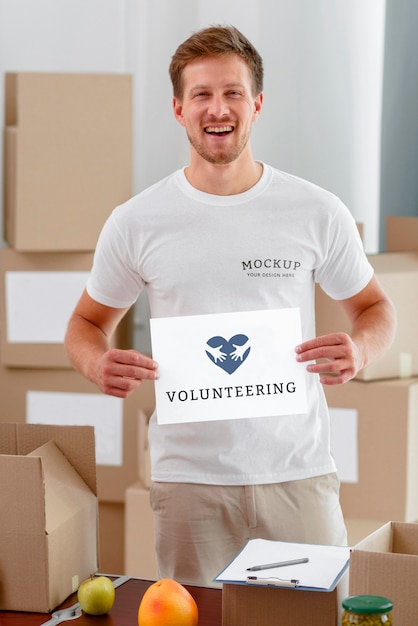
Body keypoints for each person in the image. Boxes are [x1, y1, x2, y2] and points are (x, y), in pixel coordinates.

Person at [65, 25, 396, 587]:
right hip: (190, 483)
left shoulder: (316, 210)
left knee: (316, 622)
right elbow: (85, 324)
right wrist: (95, 361)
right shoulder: (137, 221)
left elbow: (375, 308)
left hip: (298, 472)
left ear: (257, 104)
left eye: (233, 92)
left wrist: (359, 350)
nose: (218, 109)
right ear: (178, 109)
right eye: (201, 94)